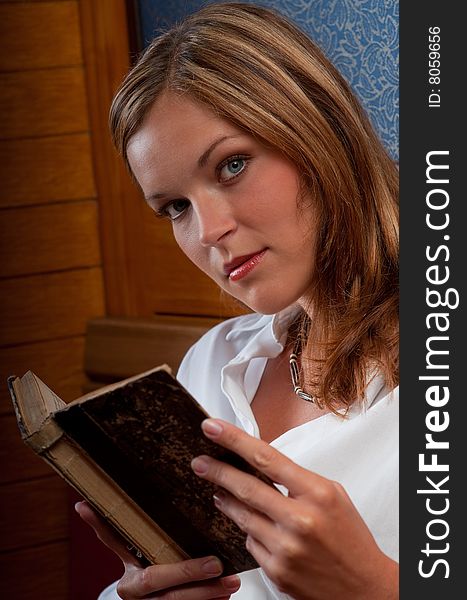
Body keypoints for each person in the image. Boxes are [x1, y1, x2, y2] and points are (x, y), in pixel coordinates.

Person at [76, 2, 399, 598]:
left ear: (317, 132)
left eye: (231, 165)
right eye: (175, 207)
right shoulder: (212, 364)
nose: (206, 232)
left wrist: (378, 588)